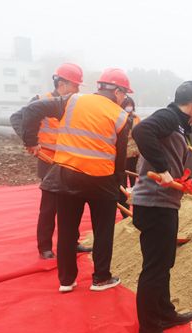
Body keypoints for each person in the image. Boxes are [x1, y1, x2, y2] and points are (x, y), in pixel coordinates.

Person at [20, 68, 132, 293]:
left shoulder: (73, 100)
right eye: (124, 93)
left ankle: (66, 280)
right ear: (117, 92)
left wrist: (31, 140)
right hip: (101, 180)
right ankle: (101, 278)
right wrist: (118, 184)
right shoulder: (121, 116)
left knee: (67, 229)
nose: (124, 98)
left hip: (67, 175)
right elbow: (119, 159)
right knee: (103, 231)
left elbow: (31, 109)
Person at [131, 81, 192, 333]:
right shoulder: (169, 116)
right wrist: (162, 168)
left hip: (166, 204)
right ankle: (148, 330)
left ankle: (165, 312)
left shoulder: (180, 125)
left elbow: (181, 169)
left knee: (165, 261)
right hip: (153, 204)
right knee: (154, 268)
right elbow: (141, 131)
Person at [9, 63, 92, 259]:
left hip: (68, 159)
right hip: (48, 160)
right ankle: (45, 247)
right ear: (62, 84)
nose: (78, 89)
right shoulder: (40, 101)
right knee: (49, 206)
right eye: (75, 85)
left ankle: (72, 242)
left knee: (72, 203)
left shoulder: (73, 103)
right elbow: (16, 118)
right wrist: (31, 142)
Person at [118, 96, 140, 217]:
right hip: (122, 156)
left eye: (131, 104)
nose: (129, 107)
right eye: (127, 104)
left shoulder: (137, 119)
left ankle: (136, 209)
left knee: (135, 184)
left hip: (135, 154)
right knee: (122, 184)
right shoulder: (119, 117)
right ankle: (125, 212)